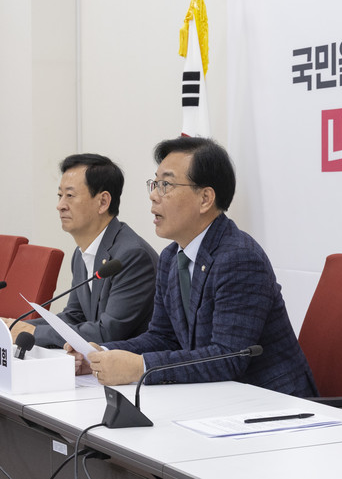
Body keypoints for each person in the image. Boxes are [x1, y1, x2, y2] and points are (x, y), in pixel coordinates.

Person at [68, 137, 317, 397]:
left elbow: (229, 357)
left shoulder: (239, 258)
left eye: (166, 185)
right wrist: (101, 354)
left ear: (205, 198)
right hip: (215, 398)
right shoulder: (170, 257)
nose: (153, 195)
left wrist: (141, 367)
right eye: (155, 183)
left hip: (273, 401)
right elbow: (163, 337)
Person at [2, 154, 157, 347]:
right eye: (60, 196)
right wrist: (13, 327)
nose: (60, 206)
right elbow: (74, 316)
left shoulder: (132, 256)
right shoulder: (81, 253)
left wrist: (33, 332)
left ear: (103, 202)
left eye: (70, 196)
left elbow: (108, 332)